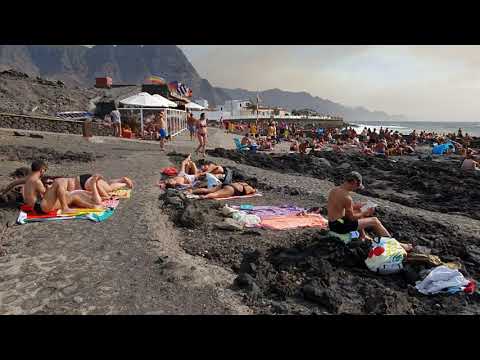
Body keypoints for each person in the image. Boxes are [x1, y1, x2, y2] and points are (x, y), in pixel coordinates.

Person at [327, 171, 412, 251]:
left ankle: (362, 236)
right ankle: (396, 245)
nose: (356, 189)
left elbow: (341, 207)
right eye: (357, 186)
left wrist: (360, 205)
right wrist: (365, 212)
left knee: (359, 209)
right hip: (340, 227)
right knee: (374, 221)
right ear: (353, 182)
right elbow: (352, 218)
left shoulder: (334, 190)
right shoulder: (347, 197)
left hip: (333, 223)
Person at [20, 160, 104, 214]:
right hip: (40, 206)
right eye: (44, 171)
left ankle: (92, 206)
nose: (44, 173)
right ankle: (65, 208)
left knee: (71, 197)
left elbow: (13, 184)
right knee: (58, 182)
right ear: (41, 170)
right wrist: (50, 188)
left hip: (36, 207)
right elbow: (44, 193)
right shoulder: (37, 181)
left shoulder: (28, 179)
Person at [192, 181, 256, 199]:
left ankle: (192, 191)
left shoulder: (242, 182)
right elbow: (253, 192)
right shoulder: (250, 188)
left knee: (209, 190)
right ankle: (204, 197)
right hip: (232, 189)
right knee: (216, 194)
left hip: (227, 184)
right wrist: (254, 190)